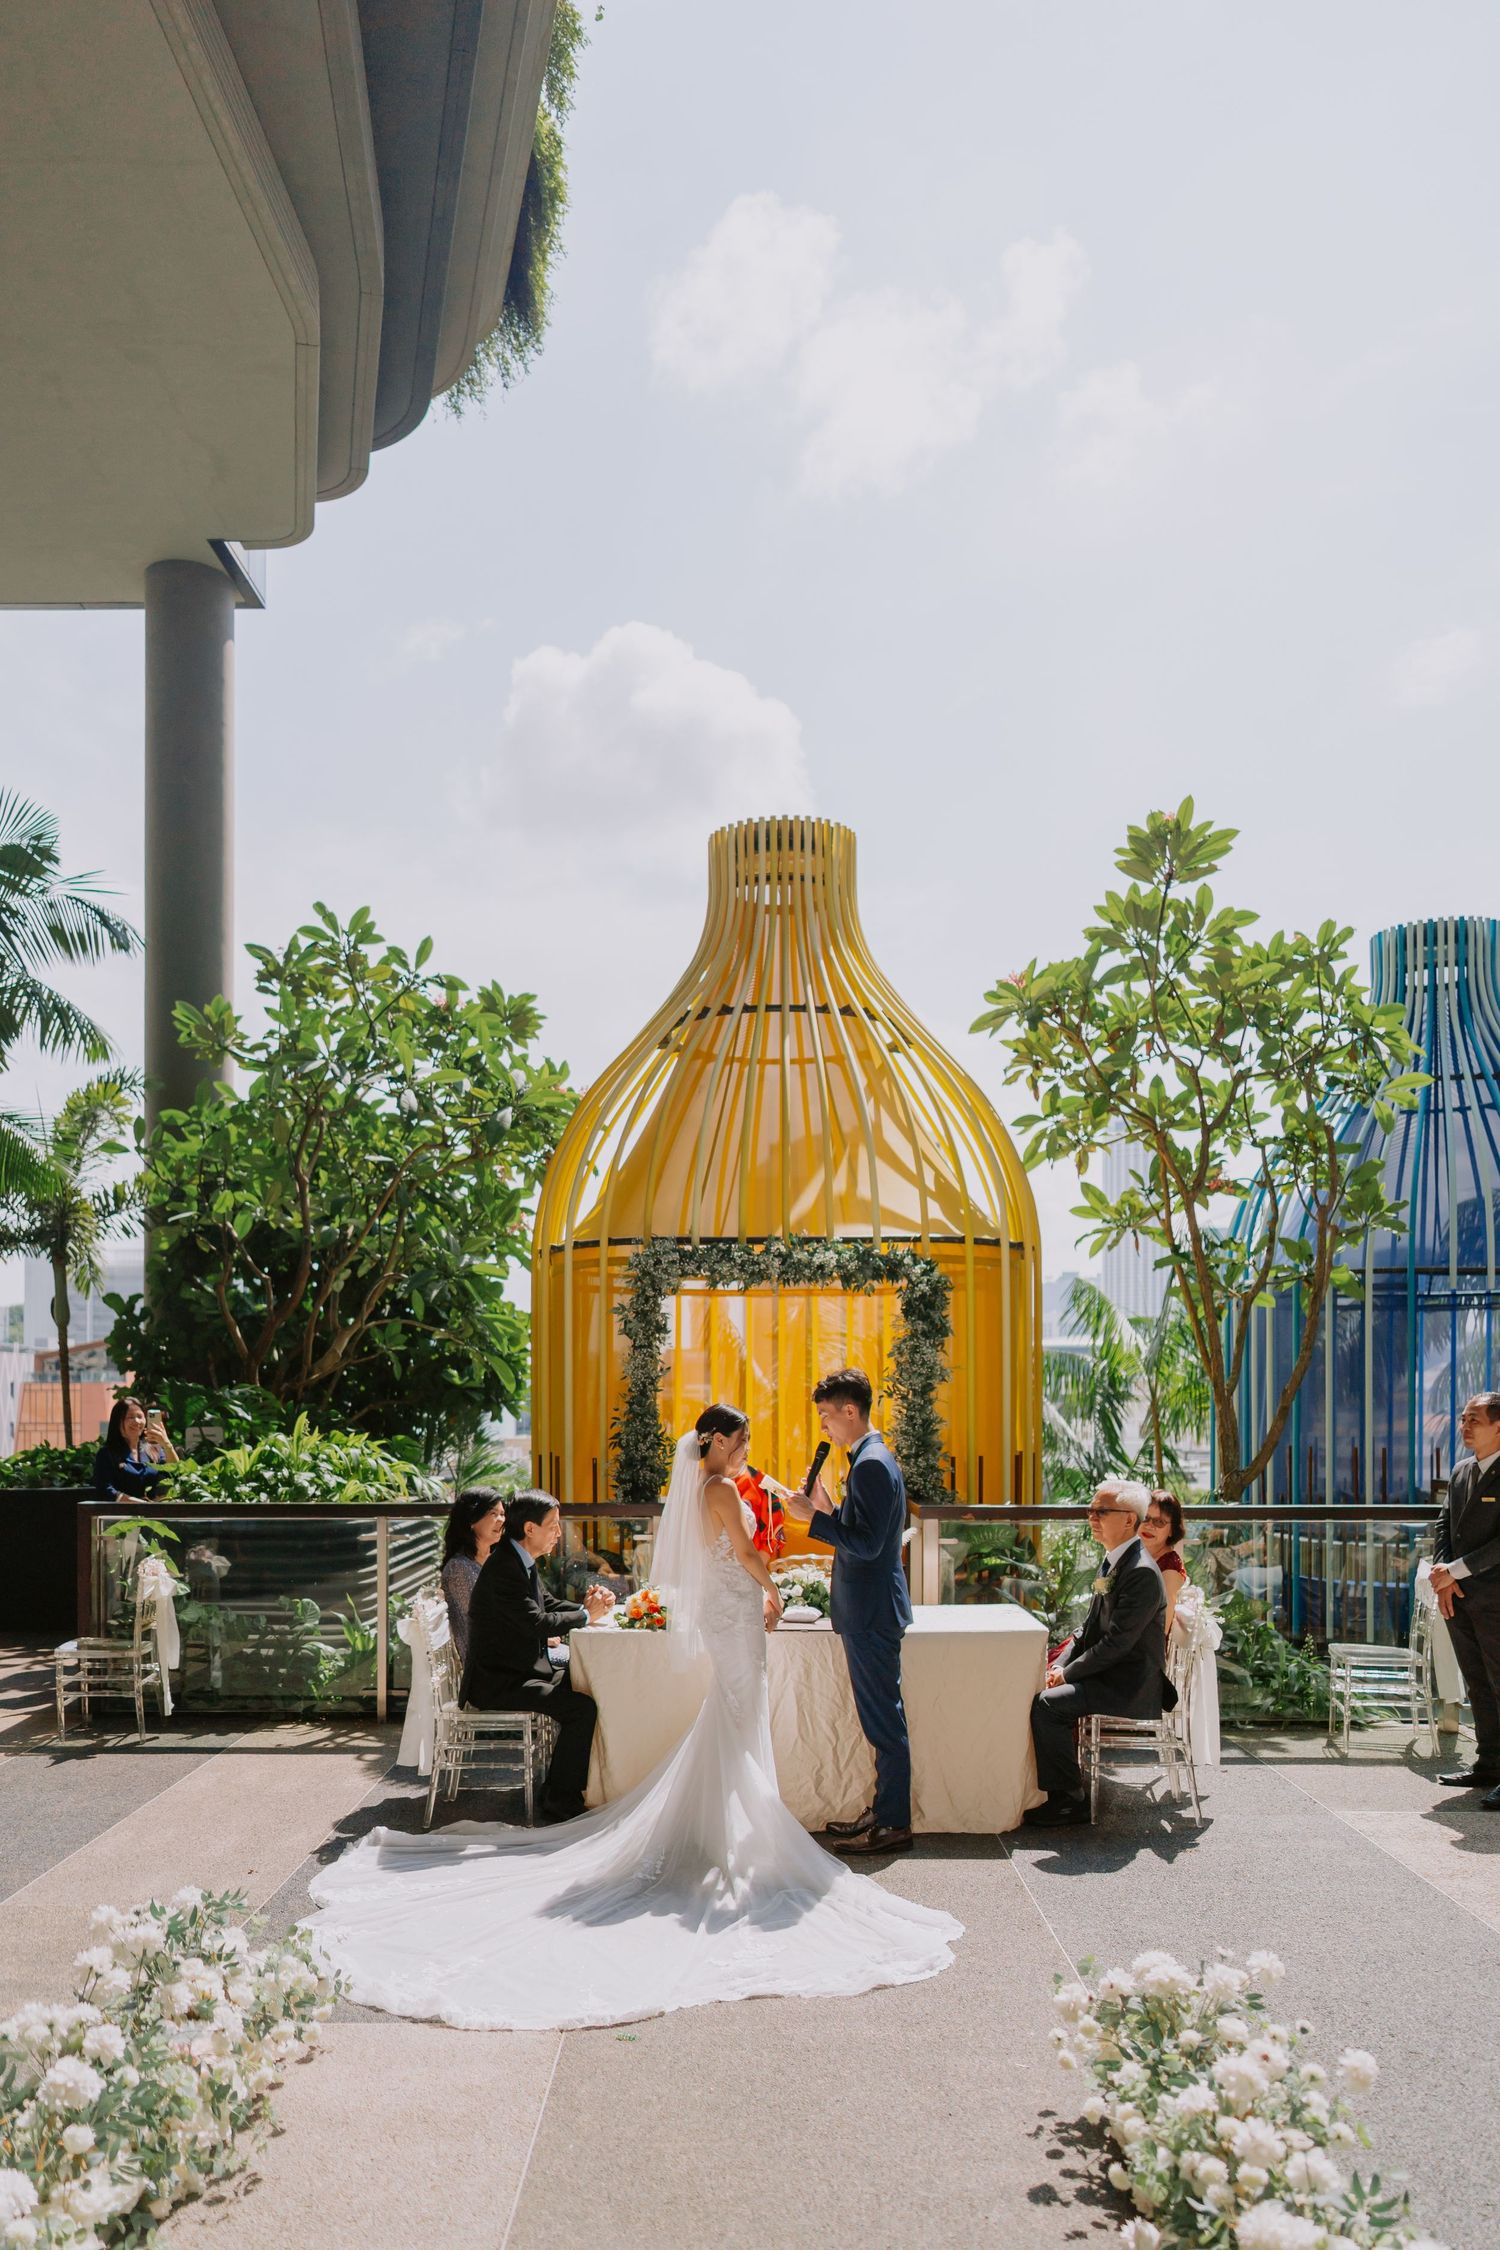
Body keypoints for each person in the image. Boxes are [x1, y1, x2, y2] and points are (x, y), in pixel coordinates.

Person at [303, 1401, 961, 2030]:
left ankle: (733, 1833)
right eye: (741, 1442)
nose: (746, 1452)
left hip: (724, 1612)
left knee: (731, 1717)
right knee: (738, 1714)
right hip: (736, 1613)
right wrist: (773, 1590)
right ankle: (739, 1836)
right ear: (718, 1442)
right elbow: (747, 1553)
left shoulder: (701, 1489)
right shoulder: (720, 1489)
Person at [803, 1366, 915, 1855]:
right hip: (871, 1608)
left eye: (826, 1416)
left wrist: (814, 1520)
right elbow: (866, 1532)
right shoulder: (871, 1457)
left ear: (850, 1411)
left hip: (870, 1610)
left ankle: (893, 1823)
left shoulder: (870, 1463)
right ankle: (884, 1810)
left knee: (884, 1723)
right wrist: (830, 1509)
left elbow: (868, 1546)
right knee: (880, 1720)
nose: (824, 1426)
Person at [1024, 1478, 1174, 1829]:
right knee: (1043, 1689)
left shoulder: (1140, 1572)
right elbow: (1088, 1628)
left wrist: (1068, 1675)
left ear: (1129, 1520)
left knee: (1047, 1706)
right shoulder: (1114, 1562)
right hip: (1110, 1672)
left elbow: (1118, 1643)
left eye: (1101, 1511)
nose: (1092, 1517)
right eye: (1090, 1510)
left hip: (1128, 1683)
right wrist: (1059, 1665)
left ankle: (1069, 1800)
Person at [460, 1491, 615, 1822]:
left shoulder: (518, 1559)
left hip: (519, 1670)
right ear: (530, 1529)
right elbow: (536, 1623)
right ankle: (560, 1798)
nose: (559, 1533)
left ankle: (560, 1787)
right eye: (553, 1525)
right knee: (582, 1708)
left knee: (582, 1682)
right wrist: (586, 1616)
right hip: (500, 1680)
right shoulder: (505, 1567)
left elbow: (547, 1604)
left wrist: (589, 1607)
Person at [1430, 1391, 1500, 1805]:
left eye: (1474, 1419)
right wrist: (1443, 1575)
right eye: (1463, 1419)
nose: (1464, 1426)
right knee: (1477, 1683)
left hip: (1495, 1599)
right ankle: (1489, 1764)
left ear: (1499, 1426)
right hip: (1459, 1598)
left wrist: (1454, 1571)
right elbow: (1443, 1525)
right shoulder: (1461, 1471)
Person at [439, 1487, 509, 1669]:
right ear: (471, 1520)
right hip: (487, 1664)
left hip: (507, 1651)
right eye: (493, 1514)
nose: (501, 1520)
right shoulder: (459, 1568)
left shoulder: (494, 1560)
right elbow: (486, 1621)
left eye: (502, 1514)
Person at [92, 1397, 178, 1504]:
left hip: (152, 1511)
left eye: (140, 1416)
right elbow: (106, 1490)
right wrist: (140, 1505)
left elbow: (175, 1471)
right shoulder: (106, 1453)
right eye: (130, 1417)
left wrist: (166, 1444)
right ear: (118, 1421)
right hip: (121, 1512)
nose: (137, 1421)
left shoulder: (153, 1449)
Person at [1139, 1489, 1188, 1638]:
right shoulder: (1137, 1555)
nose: (1149, 1526)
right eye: (1145, 1518)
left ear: (1172, 1530)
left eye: (1159, 1522)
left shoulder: (1170, 1569)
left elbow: (1162, 1629)